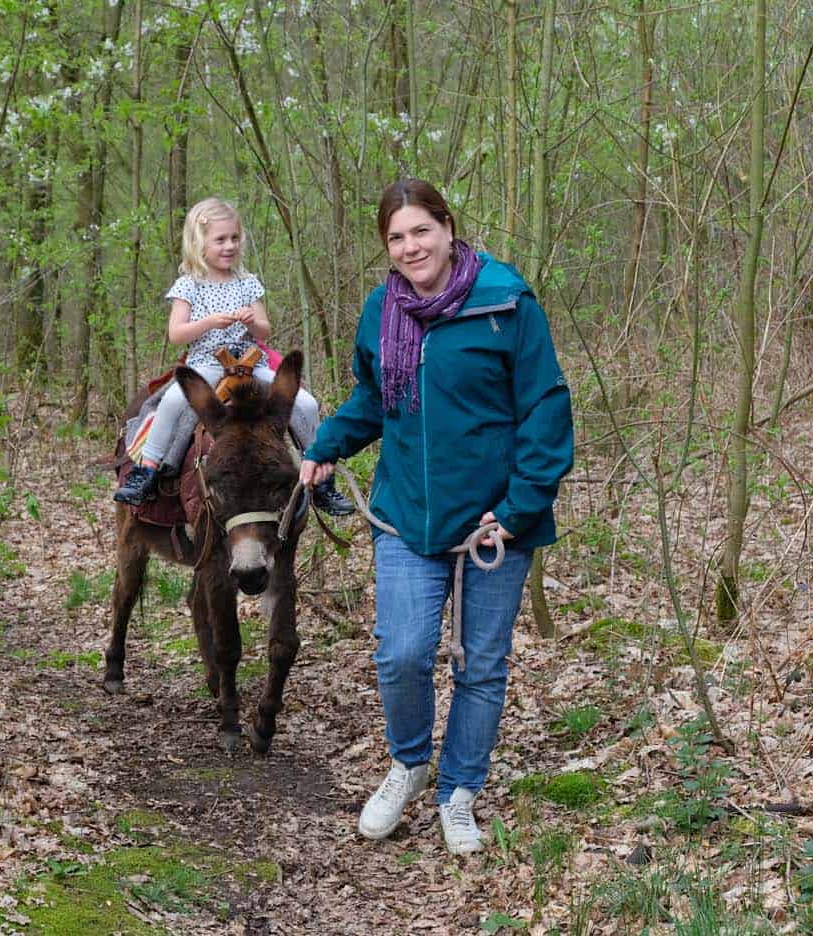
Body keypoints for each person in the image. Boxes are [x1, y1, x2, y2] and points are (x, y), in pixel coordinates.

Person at [299, 179, 573, 855]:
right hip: (406, 517)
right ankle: (410, 763)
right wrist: (326, 445)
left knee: (481, 666)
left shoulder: (506, 302)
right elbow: (374, 401)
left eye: (421, 230)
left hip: (494, 525)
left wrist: (518, 508)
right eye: (396, 237)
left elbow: (546, 407)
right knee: (402, 652)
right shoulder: (380, 311)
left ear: (449, 228)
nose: (410, 246)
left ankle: (458, 793)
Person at [114, 197, 353, 515]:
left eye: (234, 238)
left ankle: (320, 479)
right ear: (200, 243)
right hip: (208, 363)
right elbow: (176, 334)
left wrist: (253, 322)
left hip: (251, 364)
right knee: (172, 402)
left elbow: (265, 330)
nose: (229, 246)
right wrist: (209, 323)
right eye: (220, 239)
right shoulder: (189, 286)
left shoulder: (247, 283)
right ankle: (148, 470)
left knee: (306, 404)